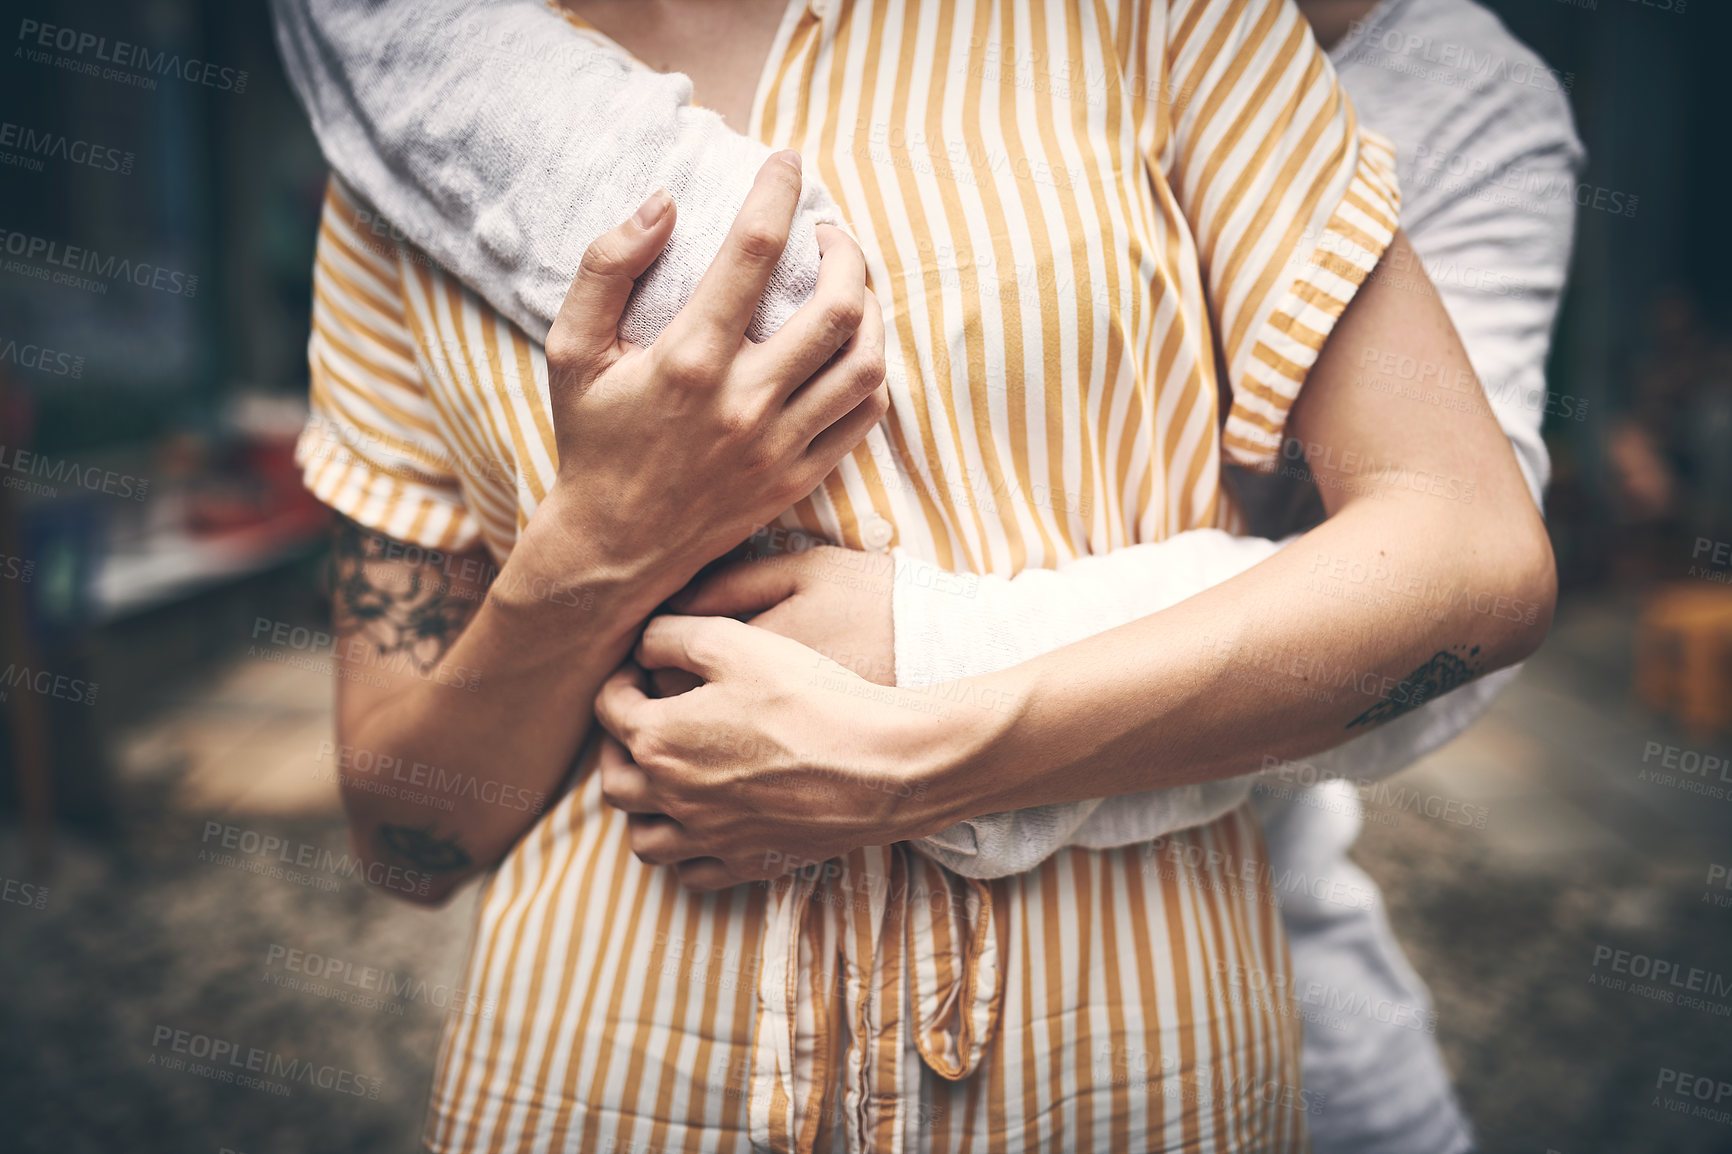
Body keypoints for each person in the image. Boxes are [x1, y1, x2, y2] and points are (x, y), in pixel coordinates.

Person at [279, 0, 1556, 1149]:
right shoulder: (414, 154)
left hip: (1126, 1078)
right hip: (599, 1073)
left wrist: (915, 748)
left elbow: (1467, 558)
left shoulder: (1155, 23)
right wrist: (600, 543)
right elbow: (410, 834)